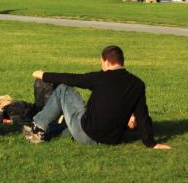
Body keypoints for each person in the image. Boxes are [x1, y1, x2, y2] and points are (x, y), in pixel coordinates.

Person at [23, 45, 171, 150]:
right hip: (111, 140)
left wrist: (44, 75)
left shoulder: (100, 78)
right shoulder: (137, 84)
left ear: (106, 61)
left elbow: (71, 79)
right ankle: (52, 130)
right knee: (65, 128)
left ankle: (37, 127)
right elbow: (142, 115)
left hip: (87, 133)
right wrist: (151, 143)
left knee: (63, 89)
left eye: (101, 63)